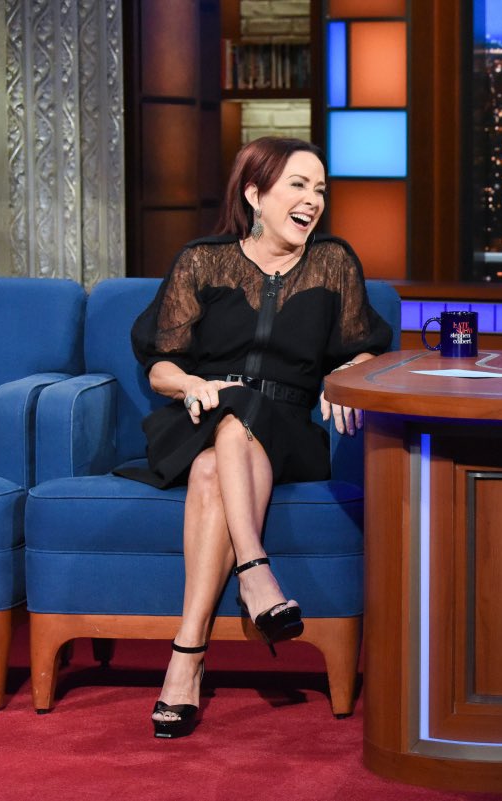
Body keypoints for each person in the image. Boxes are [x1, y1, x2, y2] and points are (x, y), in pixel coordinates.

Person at [119, 136, 392, 738]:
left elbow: (365, 346)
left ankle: (189, 656)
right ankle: (253, 576)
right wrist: (191, 383)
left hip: (288, 430)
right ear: (254, 194)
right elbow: (160, 364)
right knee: (222, 435)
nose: (312, 199)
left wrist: (347, 375)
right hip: (200, 415)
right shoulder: (202, 260)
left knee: (218, 461)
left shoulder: (334, 263)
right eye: (298, 185)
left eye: (320, 189)